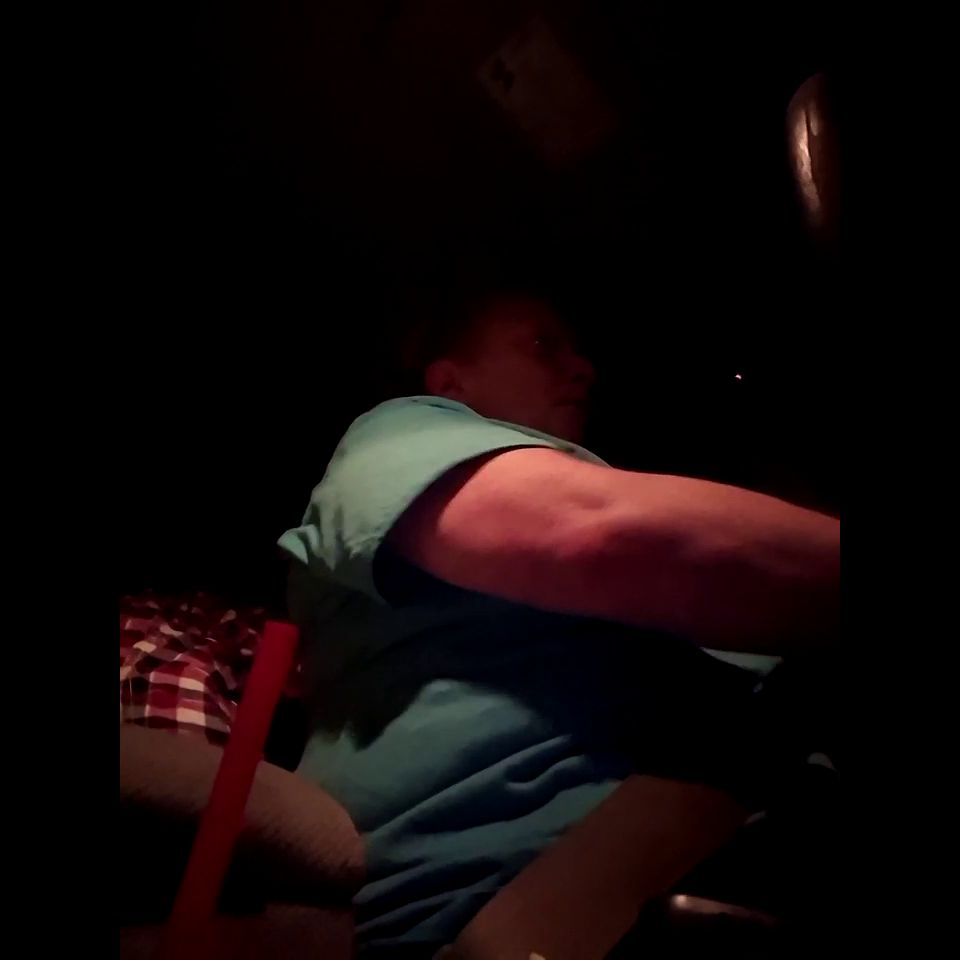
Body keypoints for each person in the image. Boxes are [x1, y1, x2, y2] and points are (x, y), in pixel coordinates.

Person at [278, 291, 840, 955]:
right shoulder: (403, 432)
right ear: (451, 382)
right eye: (543, 345)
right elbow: (601, 534)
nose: (582, 368)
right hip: (561, 911)